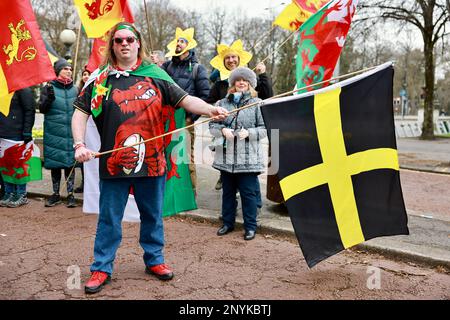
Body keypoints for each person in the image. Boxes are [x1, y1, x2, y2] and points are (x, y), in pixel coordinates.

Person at [72, 22, 227, 294]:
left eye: (129, 39)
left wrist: (210, 110)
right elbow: (80, 113)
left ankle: (154, 260)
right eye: (119, 40)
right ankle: (101, 267)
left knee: (153, 216)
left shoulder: (156, 74)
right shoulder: (100, 78)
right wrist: (78, 144)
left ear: (138, 43)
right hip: (114, 163)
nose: (124, 44)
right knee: (109, 218)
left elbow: (187, 100)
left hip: (153, 161)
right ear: (112, 46)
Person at [207, 39, 273, 214]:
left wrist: (263, 75)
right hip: (227, 143)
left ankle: (254, 210)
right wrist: (217, 117)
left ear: (239, 59)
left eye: (234, 57)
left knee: (249, 183)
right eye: (227, 57)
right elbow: (209, 104)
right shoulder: (219, 83)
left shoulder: (251, 80)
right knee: (228, 184)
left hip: (247, 145)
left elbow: (267, 97)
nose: (231, 60)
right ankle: (228, 213)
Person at [209, 67, 266, 241]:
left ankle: (250, 226)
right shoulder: (221, 104)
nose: (241, 82)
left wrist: (249, 133)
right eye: (238, 80)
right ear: (232, 83)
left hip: (248, 158)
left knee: (248, 194)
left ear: (250, 84)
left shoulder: (258, 103)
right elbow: (212, 126)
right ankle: (227, 223)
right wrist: (223, 129)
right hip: (226, 158)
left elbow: (264, 129)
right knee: (228, 192)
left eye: (245, 80)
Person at [151, 27, 210, 196]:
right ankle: (166, 192)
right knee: (163, 154)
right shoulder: (167, 66)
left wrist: (192, 117)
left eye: (182, 41)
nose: (179, 44)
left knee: (185, 157)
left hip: (185, 120)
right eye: (177, 41)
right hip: (166, 119)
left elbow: (204, 95)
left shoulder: (198, 69)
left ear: (189, 46)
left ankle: (189, 194)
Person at [39, 59, 78, 208]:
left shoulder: (75, 89)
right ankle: (55, 194)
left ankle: (70, 195)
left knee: (70, 164)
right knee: (55, 164)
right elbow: (42, 108)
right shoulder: (48, 87)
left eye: (70, 69)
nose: (69, 71)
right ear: (57, 71)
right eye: (65, 69)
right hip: (54, 132)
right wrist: (48, 98)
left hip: (71, 132)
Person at [0, 88, 36, 207]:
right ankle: (9, 192)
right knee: (5, 165)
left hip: (17, 133)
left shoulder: (23, 89)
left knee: (19, 166)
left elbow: (30, 110)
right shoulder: (2, 87)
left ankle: (21, 194)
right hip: (3, 132)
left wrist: (27, 132)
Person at [74, 67, 92, 194]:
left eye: (88, 74)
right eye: (84, 74)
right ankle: (83, 182)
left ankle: (89, 183)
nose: (86, 76)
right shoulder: (78, 91)